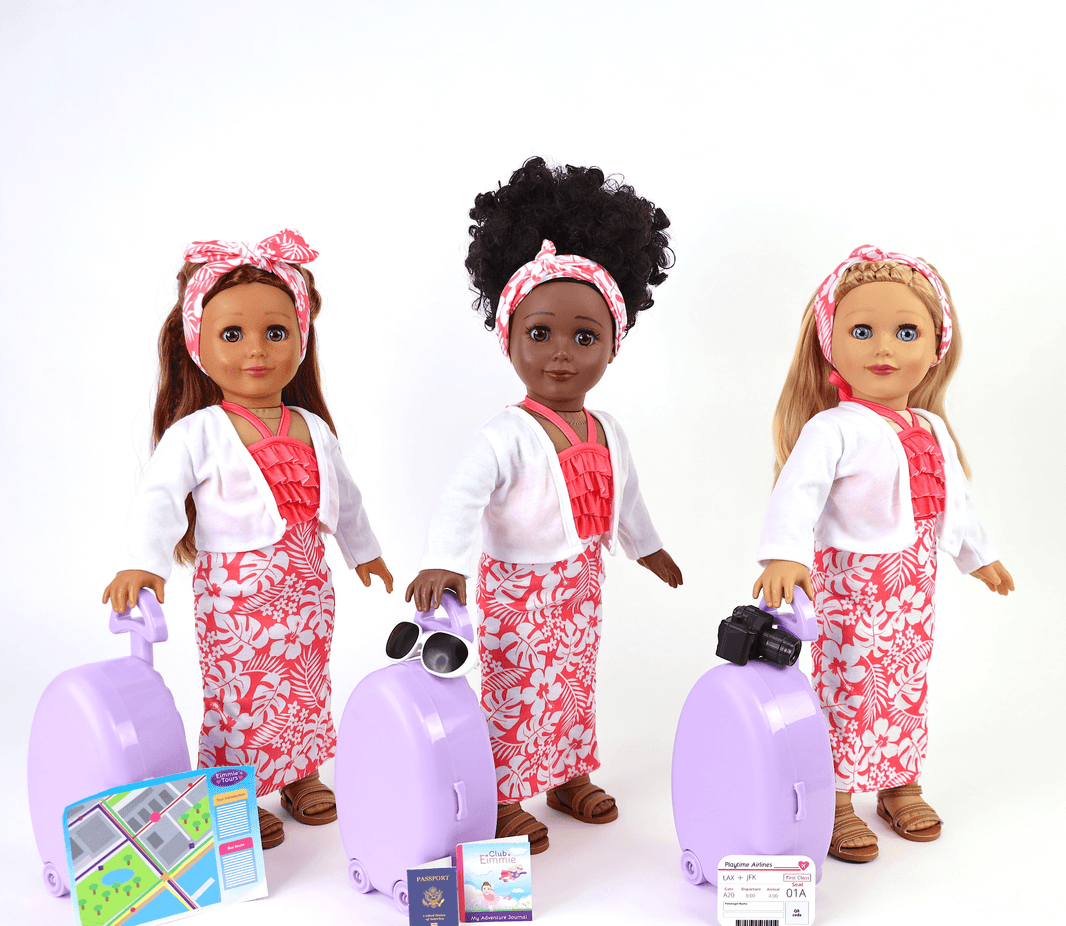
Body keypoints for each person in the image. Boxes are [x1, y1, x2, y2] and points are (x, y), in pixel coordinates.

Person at [407, 159, 682, 853]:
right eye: (540, 334)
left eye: (585, 337)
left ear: (613, 346)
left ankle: (566, 774)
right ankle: (504, 794)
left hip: (581, 581)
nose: (562, 354)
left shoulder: (607, 429)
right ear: (509, 339)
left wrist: (647, 547)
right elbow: (461, 499)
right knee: (516, 689)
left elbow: (626, 497)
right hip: (519, 588)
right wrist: (444, 562)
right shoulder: (504, 435)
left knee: (573, 684)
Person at [103, 231, 392, 848]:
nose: (256, 350)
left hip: (307, 585)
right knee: (240, 694)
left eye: (276, 332)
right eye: (232, 334)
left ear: (301, 339)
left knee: (305, 682)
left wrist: (363, 551)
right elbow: (158, 498)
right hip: (235, 598)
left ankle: (301, 772)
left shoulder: (311, 427)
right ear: (197, 345)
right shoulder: (198, 433)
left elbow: (345, 496)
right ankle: (233, 789)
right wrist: (142, 564)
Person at [753, 245, 1014, 862]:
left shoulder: (930, 426)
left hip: (914, 584)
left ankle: (899, 783)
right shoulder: (832, 428)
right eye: (862, 331)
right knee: (847, 684)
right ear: (830, 343)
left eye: (906, 332)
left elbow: (955, 499)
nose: (884, 349)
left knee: (905, 682)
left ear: (937, 347)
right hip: (851, 585)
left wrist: (977, 554)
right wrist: (784, 555)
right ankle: (837, 795)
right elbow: (797, 493)